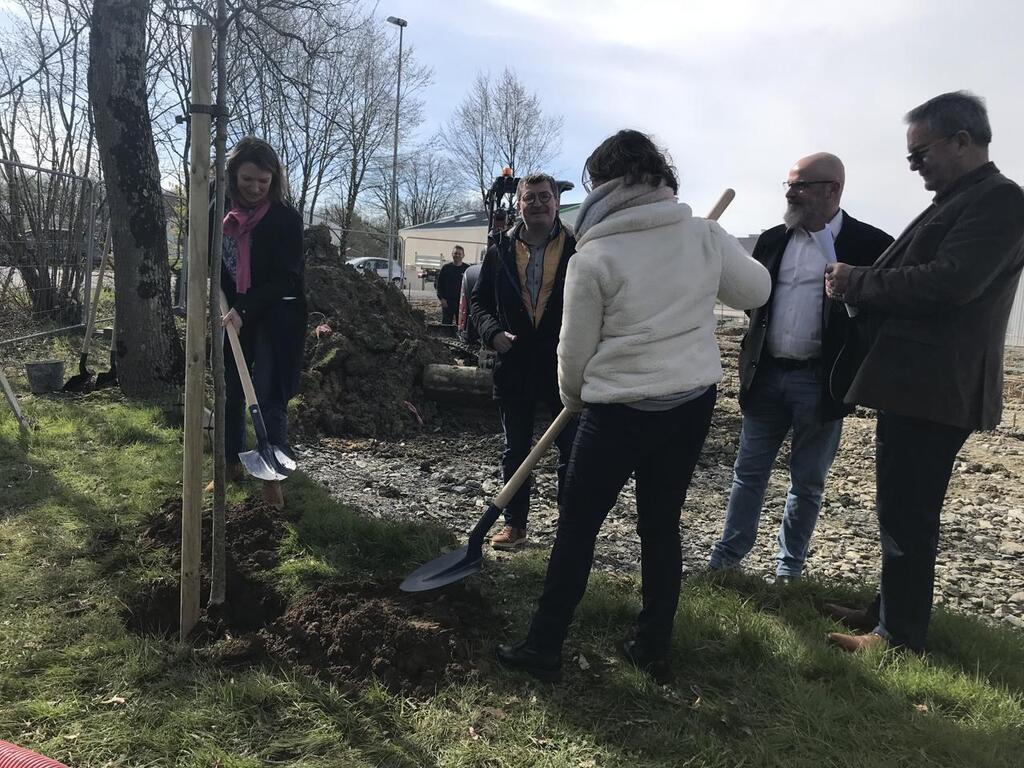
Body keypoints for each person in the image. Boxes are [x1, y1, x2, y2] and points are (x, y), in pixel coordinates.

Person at [495, 130, 771, 682]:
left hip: (616, 411)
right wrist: (715, 250)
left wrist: (574, 399)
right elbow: (757, 292)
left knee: (577, 528)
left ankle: (544, 645)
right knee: (661, 524)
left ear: (601, 187)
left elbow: (572, 357)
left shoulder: (595, 255)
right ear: (658, 177)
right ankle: (652, 646)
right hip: (689, 404)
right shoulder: (702, 235)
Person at [823, 91, 1024, 653]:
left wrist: (857, 281)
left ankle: (898, 635)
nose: (914, 167)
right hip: (920, 384)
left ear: (963, 140)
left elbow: (949, 282)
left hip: (935, 386)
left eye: (920, 154)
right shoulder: (965, 197)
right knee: (899, 506)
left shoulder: (1001, 201)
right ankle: (885, 611)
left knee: (909, 512)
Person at [708, 154, 893, 582]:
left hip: (821, 381)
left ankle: (789, 571)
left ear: (833, 190)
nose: (790, 193)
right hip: (767, 375)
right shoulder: (774, 240)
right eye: (789, 185)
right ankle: (725, 562)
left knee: (807, 483)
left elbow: (885, 307)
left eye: (800, 186)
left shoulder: (870, 245)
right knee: (747, 474)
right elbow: (751, 298)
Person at [471, 173, 578, 551]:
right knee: (516, 450)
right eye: (529, 198)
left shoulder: (576, 249)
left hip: (562, 362)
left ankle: (570, 529)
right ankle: (515, 525)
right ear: (518, 204)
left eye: (544, 197)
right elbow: (479, 303)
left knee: (571, 450)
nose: (537, 203)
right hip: (514, 362)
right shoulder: (500, 250)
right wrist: (493, 334)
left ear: (556, 202)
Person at [217, 137, 306, 510]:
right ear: (233, 175)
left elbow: (286, 277)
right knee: (232, 390)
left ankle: (272, 483)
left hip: (278, 314)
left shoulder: (286, 219)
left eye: (263, 182)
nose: (254, 188)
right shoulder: (218, 213)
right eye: (247, 180)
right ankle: (230, 466)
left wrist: (245, 309)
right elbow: (214, 264)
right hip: (235, 312)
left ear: (274, 181)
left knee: (268, 396)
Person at [436, 245, 469, 325]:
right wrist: (442, 299)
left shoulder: (467, 269)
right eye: (455, 253)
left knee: (462, 324)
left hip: (462, 302)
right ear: (452, 254)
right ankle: (445, 337)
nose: (457, 255)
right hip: (447, 302)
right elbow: (439, 285)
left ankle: (459, 337)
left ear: (463, 255)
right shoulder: (446, 268)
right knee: (446, 324)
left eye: (459, 254)